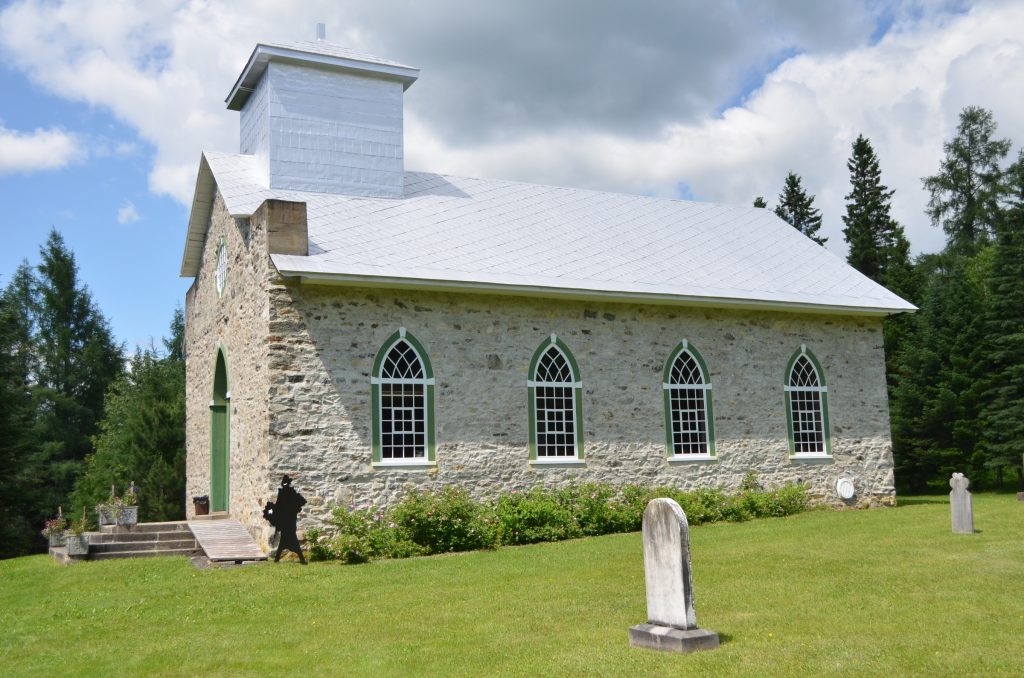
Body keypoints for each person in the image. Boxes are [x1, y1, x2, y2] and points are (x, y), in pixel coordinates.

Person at [263, 475, 307, 564]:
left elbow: (302, 501)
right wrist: (272, 509)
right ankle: (280, 559)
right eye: (284, 483)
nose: (285, 485)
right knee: (285, 540)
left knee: (290, 539)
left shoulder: (291, 493)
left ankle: (299, 559)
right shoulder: (283, 493)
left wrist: (293, 508)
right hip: (286, 522)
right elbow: (279, 507)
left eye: (286, 483)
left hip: (290, 521)